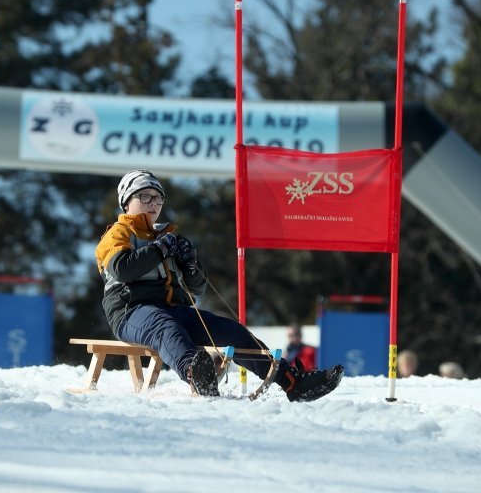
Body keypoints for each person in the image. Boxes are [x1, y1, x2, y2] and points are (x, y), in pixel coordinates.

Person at [95, 170, 344, 401]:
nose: (153, 203)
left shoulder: (166, 237)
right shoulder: (118, 234)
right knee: (165, 327)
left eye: (158, 199)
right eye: (145, 196)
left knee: (231, 330)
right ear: (127, 201)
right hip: (131, 312)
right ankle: (196, 372)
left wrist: (190, 264)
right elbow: (123, 269)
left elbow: (196, 289)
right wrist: (160, 249)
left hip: (175, 310)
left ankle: (290, 381)